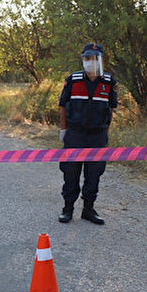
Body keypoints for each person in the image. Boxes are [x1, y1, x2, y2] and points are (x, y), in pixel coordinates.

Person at [57, 43, 117, 225]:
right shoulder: (73, 80)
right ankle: (67, 209)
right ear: (83, 59)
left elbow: (110, 110)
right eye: (88, 58)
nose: (91, 62)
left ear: (100, 60)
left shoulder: (109, 82)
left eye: (95, 58)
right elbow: (62, 105)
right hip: (75, 134)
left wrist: (104, 134)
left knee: (94, 174)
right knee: (70, 172)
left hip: (97, 136)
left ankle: (88, 210)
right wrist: (63, 130)